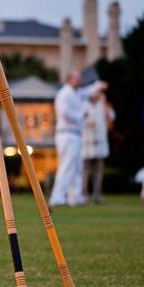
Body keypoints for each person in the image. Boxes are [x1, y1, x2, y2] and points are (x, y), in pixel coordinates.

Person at [49, 70, 108, 207]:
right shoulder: (65, 94)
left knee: (76, 167)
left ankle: (74, 197)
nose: (79, 80)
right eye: (77, 78)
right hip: (66, 133)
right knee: (67, 166)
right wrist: (82, 115)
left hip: (74, 134)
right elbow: (65, 113)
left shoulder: (75, 93)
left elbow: (87, 91)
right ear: (69, 79)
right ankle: (57, 197)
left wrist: (98, 85)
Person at [81, 93, 115, 204]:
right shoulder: (83, 104)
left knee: (98, 172)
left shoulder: (103, 105)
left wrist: (104, 103)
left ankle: (97, 195)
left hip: (100, 144)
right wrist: (87, 121)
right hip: (87, 143)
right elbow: (79, 118)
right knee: (85, 172)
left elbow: (111, 117)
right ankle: (83, 195)